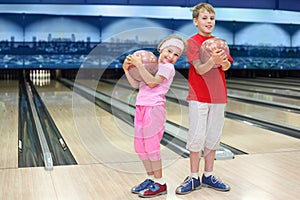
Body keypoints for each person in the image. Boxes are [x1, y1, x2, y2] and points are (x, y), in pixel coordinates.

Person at [176, 3, 233, 195]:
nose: (209, 22)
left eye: (212, 18)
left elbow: (226, 67)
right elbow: (200, 69)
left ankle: (208, 174)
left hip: (218, 97)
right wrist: (213, 61)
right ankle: (193, 177)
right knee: (197, 136)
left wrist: (223, 61)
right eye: (204, 18)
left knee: (213, 136)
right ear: (195, 21)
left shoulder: (220, 43)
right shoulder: (192, 42)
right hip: (199, 97)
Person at [122, 35, 185, 198]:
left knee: (151, 147)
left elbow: (152, 83)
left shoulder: (167, 68)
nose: (171, 56)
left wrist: (138, 65)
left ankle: (160, 182)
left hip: (154, 109)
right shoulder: (151, 66)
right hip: (141, 107)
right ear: (161, 49)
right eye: (169, 51)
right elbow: (137, 84)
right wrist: (126, 69)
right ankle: (151, 178)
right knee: (140, 147)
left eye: (176, 55)